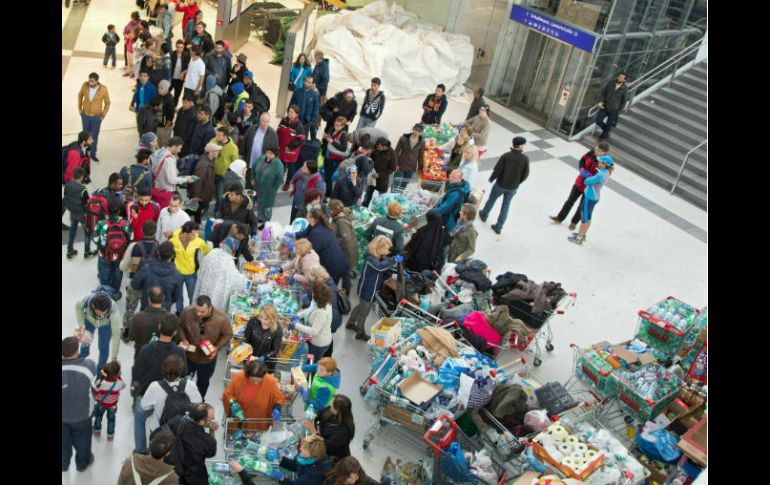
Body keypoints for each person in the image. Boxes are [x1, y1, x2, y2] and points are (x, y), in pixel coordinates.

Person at [131, 314, 188, 454]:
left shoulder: (145, 349)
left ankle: (140, 451)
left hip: (146, 394)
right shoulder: (179, 352)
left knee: (139, 419)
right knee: (166, 422)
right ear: (175, 332)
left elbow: (137, 372)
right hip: (169, 397)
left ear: (159, 327)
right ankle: (162, 449)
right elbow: (184, 374)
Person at [179, 295, 233, 399]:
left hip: (207, 360)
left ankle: (199, 402)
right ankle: (181, 400)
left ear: (210, 307)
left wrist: (216, 347)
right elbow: (180, 326)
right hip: (189, 356)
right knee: (184, 380)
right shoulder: (187, 312)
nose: (198, 314)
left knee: (203, 382)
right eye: (196, 310)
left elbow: (228, 334)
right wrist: (183, 339)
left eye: (202, 312)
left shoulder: (221, 317)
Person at [346, 236, 399, 341]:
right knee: (364, 312)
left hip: (372, 289)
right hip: (367, 289)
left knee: (360, 306)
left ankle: (350, 323)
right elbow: (379, 267)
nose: (388, 252)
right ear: (377, 248)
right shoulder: (370, 259)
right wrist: (394, 260)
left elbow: (385, 265)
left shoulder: (380, 257)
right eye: (386, 249)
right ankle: (360, 333)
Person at [550, 142, 608, 230]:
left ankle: (574, 222)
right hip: (579, 182)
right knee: (569, 201)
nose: (596, 151)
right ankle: (560, 217)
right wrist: (582, 169)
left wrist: (591, 177)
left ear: (604, 152)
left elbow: (602, 176)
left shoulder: (604, 162)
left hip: (589, 187)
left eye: (599, 151)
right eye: (596, 149)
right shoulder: (591, 153)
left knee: (581, 206)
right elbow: (582, 161)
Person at [479, 136, 530, 235]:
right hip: (513, 187)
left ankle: (484, 214)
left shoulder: (506, 156)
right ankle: (498, 226)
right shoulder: (525, 159)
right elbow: (525, 174)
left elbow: (497, 169)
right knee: (506, 205)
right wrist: (518, 182)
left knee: (492, 199)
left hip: (500, 184)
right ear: (520, 146)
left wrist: (492, 178)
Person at [141, 354, 203, 434]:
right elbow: (198, 404)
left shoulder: (154, 386)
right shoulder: (190, 384)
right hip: (182, 431)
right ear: (181, 370)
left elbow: (144, 406)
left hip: (160, 431)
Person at [62, 336, 97, 472]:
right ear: (77, 352)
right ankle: (82, 464)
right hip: (83, 415)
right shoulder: (88, 366)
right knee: (83, 443)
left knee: (63, 444)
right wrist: (85, 344)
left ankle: (64, 465)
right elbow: (89, 363)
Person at [222, 359, 285, 430]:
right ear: (247, 375)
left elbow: (278, 397)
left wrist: (277, 407)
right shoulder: (239, 377)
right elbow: (227, 394)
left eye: (258, 381)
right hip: (239, 419)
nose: (255, 383)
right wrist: (232, 403)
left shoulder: (270, 381)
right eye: (252, 380)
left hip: (258, 422)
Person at [122, 220, 161, 333]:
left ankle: (127, 331)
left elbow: (123, 266)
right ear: (155, 232)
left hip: (134, 282)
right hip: (151, 284)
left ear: (142, 231)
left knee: (130, 308)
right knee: (148, 309)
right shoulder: (159, 247)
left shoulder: (134, 246)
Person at [167, 402, 218, 485]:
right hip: (195, 476)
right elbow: (211, 453)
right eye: (212, 418)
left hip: (176, 471)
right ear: (201, 422)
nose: (214, 420)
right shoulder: (206, 441)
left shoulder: (178, 421)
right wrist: (212, 431)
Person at [568, 155, 614, 245]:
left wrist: (587, 176)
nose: (598, 163)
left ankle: (579, 238)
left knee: (584, 218)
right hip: (595, 197)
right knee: (588, 217)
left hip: (589, 197)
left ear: (605, 164)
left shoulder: (600, 175)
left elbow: (586, 181)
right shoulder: (606, 172)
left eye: (600, 162)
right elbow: (598, 175)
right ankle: (583, 234)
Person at [75, 287, 122, 371]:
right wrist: (81, 324)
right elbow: (78, 307)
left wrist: (114, 356)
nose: (102, 316)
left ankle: (100, 369)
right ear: (93, 306)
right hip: (89, 320)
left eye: (104, 313)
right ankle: (82, 355)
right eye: (99, 313)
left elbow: (116, 335)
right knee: (85, 339)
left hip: (106, 325)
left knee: (103, 346)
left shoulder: (114, 311)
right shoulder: (86, 299)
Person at [297, 208, 350, 284]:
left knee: (330, 288)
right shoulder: (318, 224)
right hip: (338, 260)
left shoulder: (316, 233)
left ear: (312, 218)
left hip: (332, 266)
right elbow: (304, 233)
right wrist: (294, 235)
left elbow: (309, 253)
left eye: (307, 215)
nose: (306, 217)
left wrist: (298, 263)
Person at [132, 241, 185, 313]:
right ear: (172, 255)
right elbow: (176, 297)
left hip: (147, 307)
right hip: (164, 310)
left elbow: (135, 285)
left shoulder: (146, 268)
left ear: (158, 252)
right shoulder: (177, 275)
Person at [93, 198, 132, 295]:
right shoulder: (124, 223)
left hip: (104, 254)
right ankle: (115, 293)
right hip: (120, 255)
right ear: (119, 210)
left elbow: (96, 234)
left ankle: (105, 293)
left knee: (104, 275)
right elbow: (129, 237)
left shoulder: (101, 223)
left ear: (107, 210)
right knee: (117, 274)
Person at [169, 221, 210, 304]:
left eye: (195, 234)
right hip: (177, 273)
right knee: (178, 295)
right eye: (192, 234)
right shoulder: (172, 241)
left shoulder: (199, 241)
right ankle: (179, 312)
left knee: (193, 296)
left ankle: (193, 310)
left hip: (191, 274)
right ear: (184, 233)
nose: (195, 236)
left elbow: (208, 252)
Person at [292, 280, 334, 359]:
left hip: (319, 343)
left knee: (312, 361)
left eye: (313, 292)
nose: (312, 293)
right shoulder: (318, 301)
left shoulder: (322, 312)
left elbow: (314, 331)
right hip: (312, 339)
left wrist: (296, 325)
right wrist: (298, 315)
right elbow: (309, 310)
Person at [128, 286, 171, 359]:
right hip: (160, 357)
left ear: (149, 299)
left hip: (141, 355)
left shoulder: (138, 317)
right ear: (163, 298)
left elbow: (131, 336)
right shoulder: (170, 318)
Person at [309, 395, 354, 464]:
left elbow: (326, 446)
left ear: (338, 410)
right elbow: (319, 417)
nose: (330, 404)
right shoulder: (330, 411)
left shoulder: (343, 431)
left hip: (333, 459)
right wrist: (316, 422)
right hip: (320, 437)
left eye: (332, 405)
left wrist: (314, 431)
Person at [78, 72, 111, 161]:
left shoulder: (103, 89)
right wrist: (80, 108)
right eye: (89, 80)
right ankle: (84, 152)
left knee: (94, 136)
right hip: (85, 115)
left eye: (92, 81)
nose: (90, 83)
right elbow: (80, 95)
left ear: (97, 81)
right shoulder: (85, 86)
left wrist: (103, 115)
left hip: (96, 117)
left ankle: (92, 153)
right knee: (85, 135)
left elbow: (107, 103)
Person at [65, 167, 96, 260]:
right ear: (82, 177)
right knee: (87, 233)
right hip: (82, 215)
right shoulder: (83, 189)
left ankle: (70, 251)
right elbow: (87, 203)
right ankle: (87, 252)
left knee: (72, 231)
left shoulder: (67, 184)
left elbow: (66, 197)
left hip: (73, 212)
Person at [91, 360, 126, 440]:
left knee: (98, 416)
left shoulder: (101, 382)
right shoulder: (119, 383)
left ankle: (97, 430)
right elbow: (124, 386)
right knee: (111, 419)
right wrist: (119, 377)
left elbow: (96, 392)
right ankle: (110, 435)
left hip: (101, 405)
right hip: (113, 406)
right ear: (117, 374)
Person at [211, 126, 241, 214]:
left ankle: (216, 214)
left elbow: (235, 163)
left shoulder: (233, 148)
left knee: (220, 197)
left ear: (225, 136)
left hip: (222, 176)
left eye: (219, 135)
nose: (216, 137)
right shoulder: (214, 141)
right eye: (216, 135)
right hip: (211, 173)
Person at [252, 145, 284, 223]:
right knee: (259, 203)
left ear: (275, 155)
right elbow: (253, 168)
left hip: (268, 191)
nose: (268, 155)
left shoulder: (278, 165)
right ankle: (260, 218)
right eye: (267, 152)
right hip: (258, 187)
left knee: (267, 207)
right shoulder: (261, 158)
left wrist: (272, 189)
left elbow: (279, 179)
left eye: (271, 153)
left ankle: (266, 222)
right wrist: (252, 178)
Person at [187, 142, 218, 222]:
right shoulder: (203, 163)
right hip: (200, 195)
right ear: (210, 152)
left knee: (197, 210)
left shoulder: (208, 161)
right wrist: (196, 195)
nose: (218, 152)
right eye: (216, 151)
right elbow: (197, 180)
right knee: (195, 210)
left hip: (204, 193)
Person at [278, 105, 306, 190]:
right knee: (281, 166)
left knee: (290, 168)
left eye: (292, 112)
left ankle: (287, 182)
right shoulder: (283, 120)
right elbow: (278, 131)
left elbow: (301, 140)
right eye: (289, 111)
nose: (289, 113)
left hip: (291, 151)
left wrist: (290, 147)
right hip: (282, 149)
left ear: (296, 114)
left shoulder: (299, 126)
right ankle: (280, 179)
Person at [363, 137, 396, 207]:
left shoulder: (392, 154)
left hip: (382, 180)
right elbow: (371, 158)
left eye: (379, 147)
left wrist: (380, 175)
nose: (377, 149)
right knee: (367, 195)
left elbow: (392, 168)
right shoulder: (376, 149)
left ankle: (380, 211)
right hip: (372, 177)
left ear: (385, 146)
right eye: (377, 147)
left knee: (382, 199)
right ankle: (364, 208)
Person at [595, 72, 628, 140]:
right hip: (605, 106)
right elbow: (603, 93)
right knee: (598, 120)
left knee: (609, 125)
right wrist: (601, 102)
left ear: (624, 80)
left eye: (621, 78)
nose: (619, 78)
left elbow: (624, 102)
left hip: (614, 109)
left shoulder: (624, 89)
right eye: (619, 76)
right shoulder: (611, 83)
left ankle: (602, 138)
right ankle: (606, 132)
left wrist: (618, 112)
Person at [393, 124, 425, 191]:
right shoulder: (403, 138)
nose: (417, 132)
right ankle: (391, 200)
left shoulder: (422, 142)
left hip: (411, 167)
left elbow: (420, 156)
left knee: (403, 186)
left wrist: (420, 170)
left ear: (421, 132)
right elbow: (396, 152)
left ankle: (399, 200)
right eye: (416, 130)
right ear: (413, 129)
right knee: (395, 184)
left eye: (419, 131)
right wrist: (395, 164)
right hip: (400, 165)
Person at [323, 116, 350, 196]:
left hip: (335, 158)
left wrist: (332, 142)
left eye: (339, 125)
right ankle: (327, 190)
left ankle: (329, 193)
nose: (336, 126)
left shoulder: (343, 135)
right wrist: (325, 137)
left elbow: (343, 148)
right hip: (328, 155)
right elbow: (327, 139)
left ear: (343, 126)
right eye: (335, 124)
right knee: (326, 174)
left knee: (328, 176)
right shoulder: (331, 129)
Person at [291, 75, 321, 141]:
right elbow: (291, 104)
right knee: (293, 137)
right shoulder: (297, 92)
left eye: (309, 82)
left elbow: (316, 109)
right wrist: (290, 116)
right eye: (305, 81)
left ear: (312, 84)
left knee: (303, 139)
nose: (306, 83)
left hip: (306, 122)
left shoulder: (314, 95)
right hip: (296, 120)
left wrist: (312, 121)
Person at [170, 40, 190, 107]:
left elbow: (189, 67)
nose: (179, 49)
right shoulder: (172, 54)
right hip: (171, 78)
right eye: (178, 47)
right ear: (176, 46)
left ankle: (174, 107)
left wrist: (183, 73)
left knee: (177, 95)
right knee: (167, 93)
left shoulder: (185, 55)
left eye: (181, 47)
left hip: (180, 80)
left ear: (183, 47)